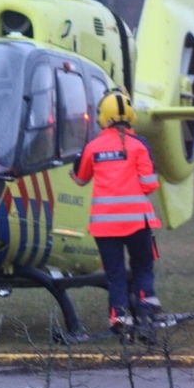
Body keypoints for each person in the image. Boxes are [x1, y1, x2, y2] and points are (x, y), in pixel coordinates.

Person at [70, 89, 164, 338]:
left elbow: (80, 179)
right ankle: (146, 309)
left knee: (115, 274)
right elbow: (150, 184)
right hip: (137, 222)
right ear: (130, 116)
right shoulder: (139, 146)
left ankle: (120, 317)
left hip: (105, 226)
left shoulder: (93, 147)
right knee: (143, 268)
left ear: (104, 117)